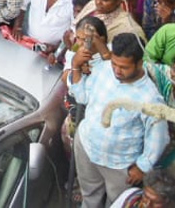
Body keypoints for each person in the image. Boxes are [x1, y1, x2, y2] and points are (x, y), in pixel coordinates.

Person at [68, 33, 168, 208]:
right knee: (89, 195)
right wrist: (75, 67)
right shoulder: (103, 69)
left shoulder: (150, 97)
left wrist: (143, 167)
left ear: (139, 63)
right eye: (114, 63)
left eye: (124, 67)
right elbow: (82, 96)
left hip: (119, 163)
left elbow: (159, 137)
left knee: (116, 203)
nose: (117, 70)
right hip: (87, 146)